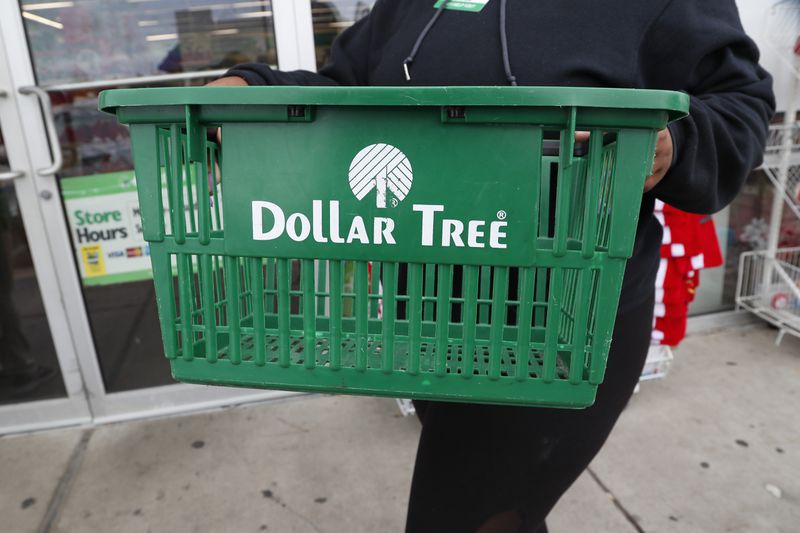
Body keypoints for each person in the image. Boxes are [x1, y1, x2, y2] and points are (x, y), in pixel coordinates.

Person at [209, 1, 774, 531]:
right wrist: (256, 85)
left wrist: (674, 141)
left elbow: (741, 104)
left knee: (459, 515)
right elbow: (347, 87)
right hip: (426, 314)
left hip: (562, 325)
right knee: (501, 513)